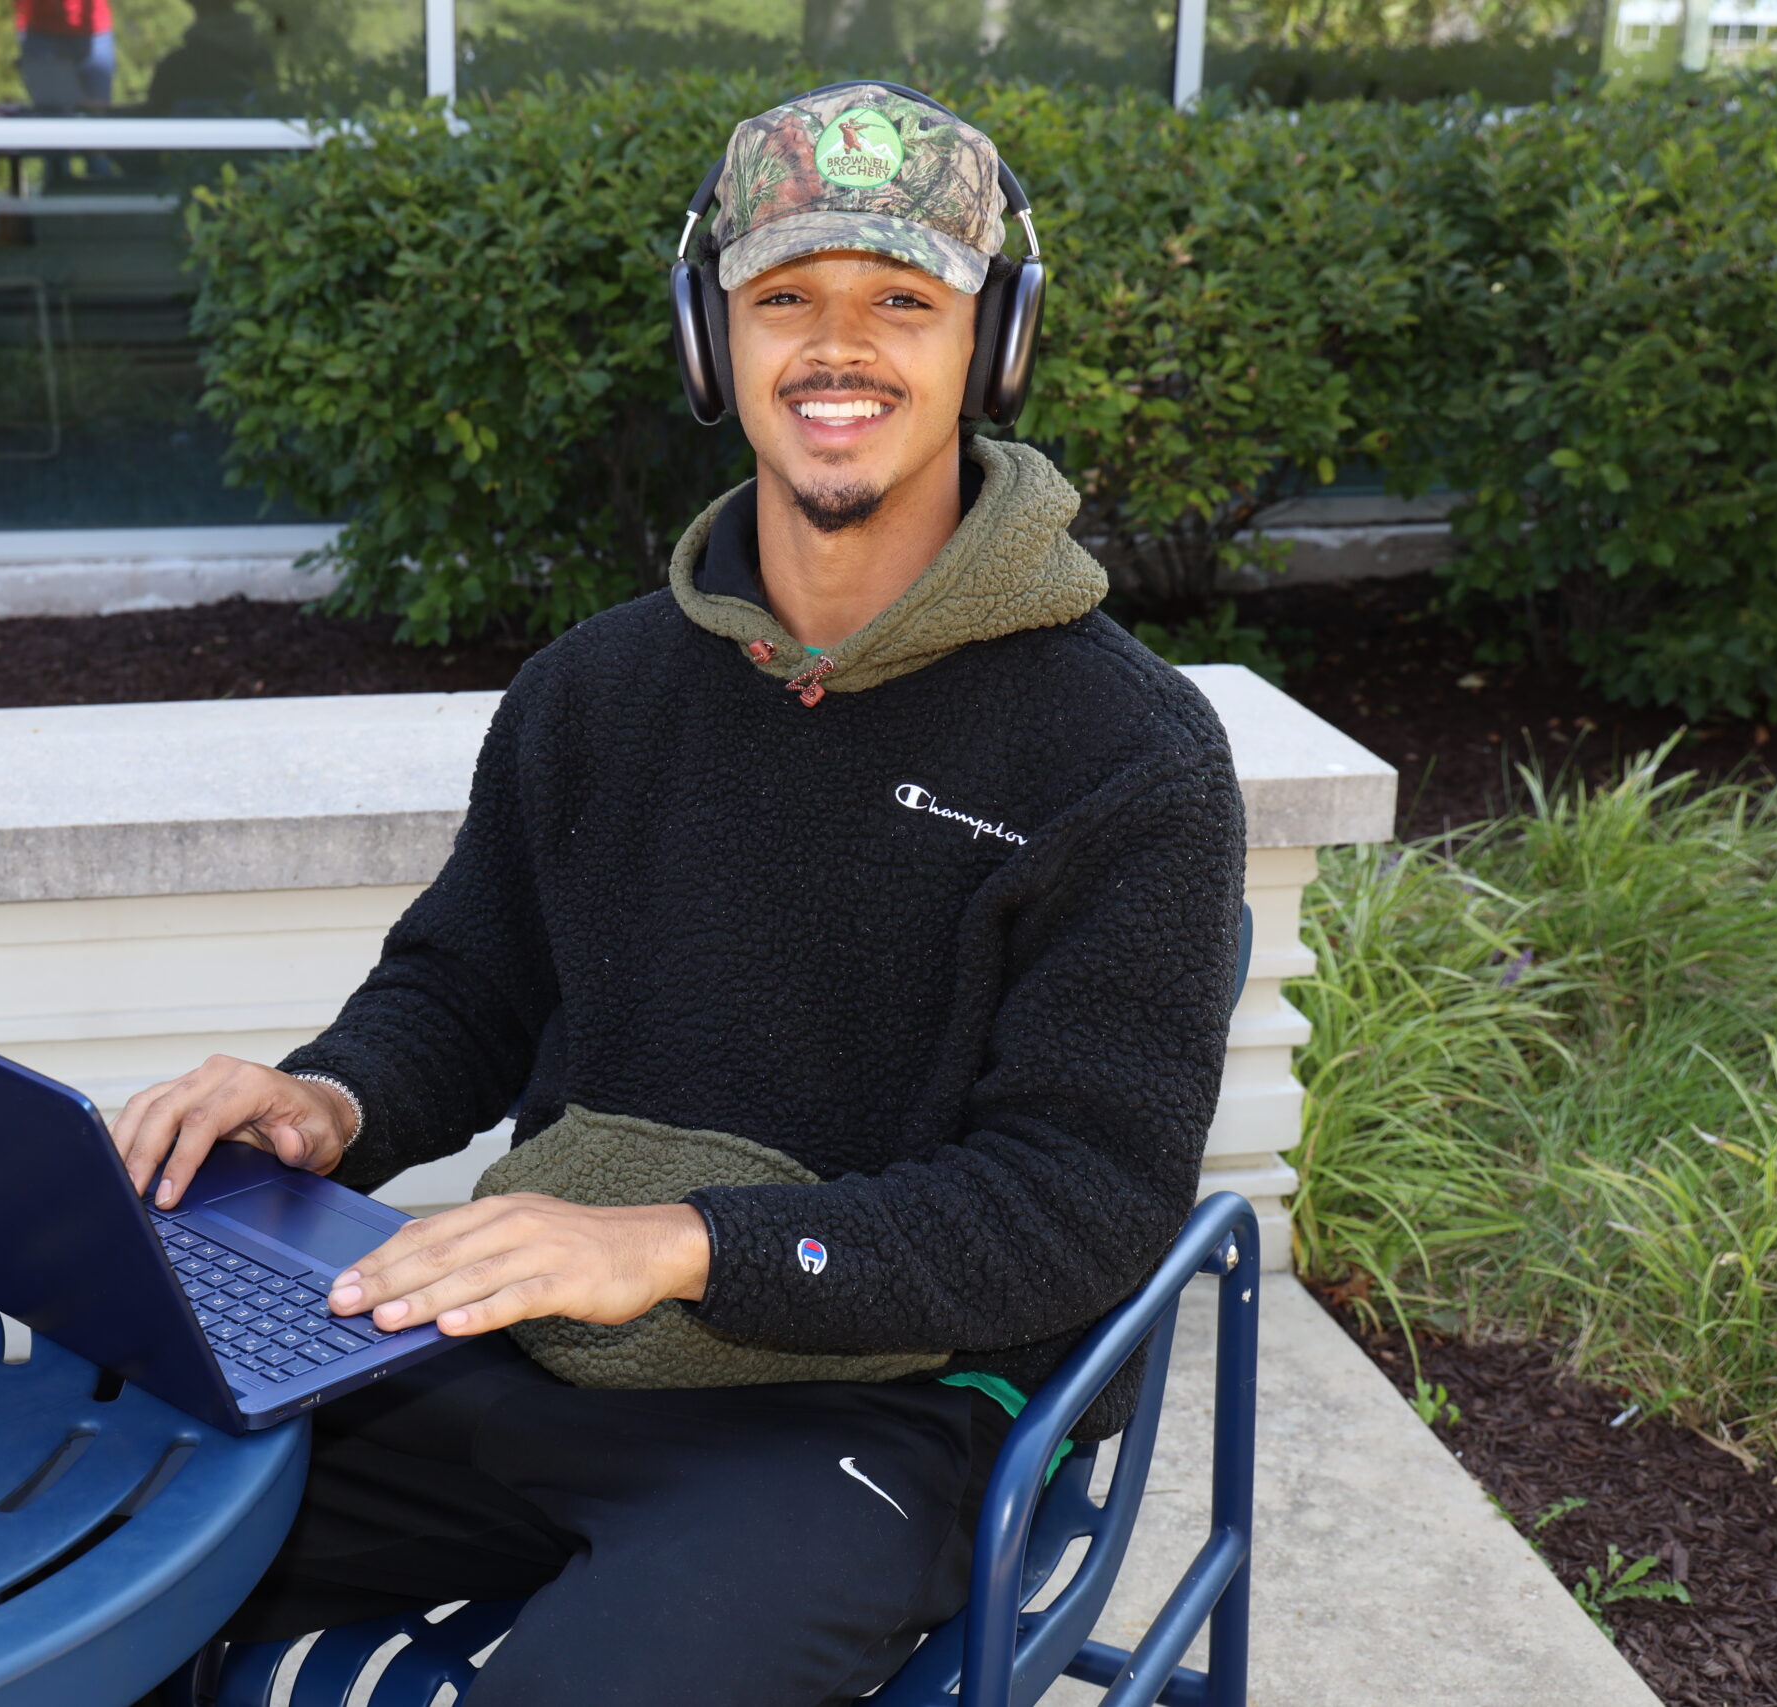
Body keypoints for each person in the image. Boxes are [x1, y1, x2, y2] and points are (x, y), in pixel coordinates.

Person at [110, 82, 1245, 1707]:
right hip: (537, 1346)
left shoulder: (1126, 753)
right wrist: (327, 1100)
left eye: (901, 303)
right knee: (89, 1549)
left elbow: (1083, 1201)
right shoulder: (595, 691)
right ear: (712, 340)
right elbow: (468, 991)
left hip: (879, 1418)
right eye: (786, 297)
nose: (836, 348)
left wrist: (687, 1246)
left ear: (996, 345)